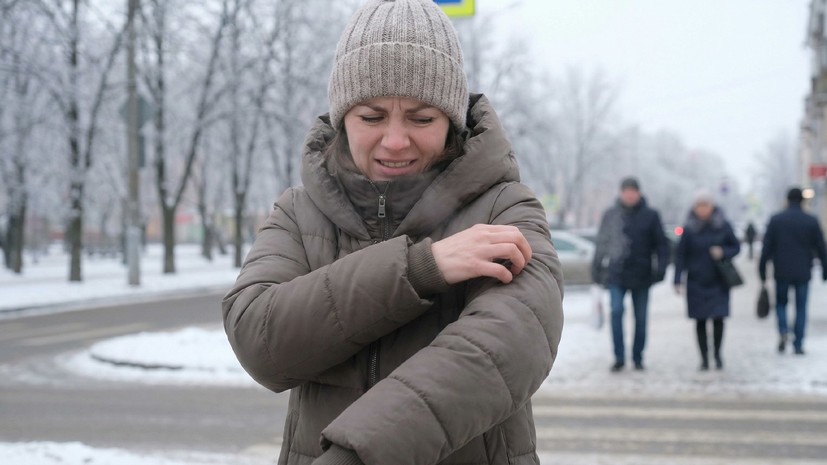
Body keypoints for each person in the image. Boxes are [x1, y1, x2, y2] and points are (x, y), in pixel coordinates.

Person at [222, 2, 565, 465]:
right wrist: (420, 269)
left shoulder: (505, 207)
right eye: (372, 116)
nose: (396, 140)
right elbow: (259, 340)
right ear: (343, 117)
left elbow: (509, 344)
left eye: (422, 118)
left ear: (451, 122)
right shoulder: (298, 214)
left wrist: (357, 454)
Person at [592, 177, 670, 372]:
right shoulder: (611, 215)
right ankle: (619, 357)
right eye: (626, 191)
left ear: (639, 193)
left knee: (641, 318)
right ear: (620, 193)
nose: (629, 195)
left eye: (633, 191)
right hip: (617, 274)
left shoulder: (651, 215)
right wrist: (597, 268)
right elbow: (602, 243)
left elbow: (661, 244)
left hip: (642, 275)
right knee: (616, 311)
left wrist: (661, 268)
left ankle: (637, 357)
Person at [673, 191, 741, 370]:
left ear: (712, 206)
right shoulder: (688, 228)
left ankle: (717, 354)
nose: (703, 209)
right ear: (694, 207)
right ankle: (704, 358)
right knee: (700, 320)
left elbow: (736, 247)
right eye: (699, 205)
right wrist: (677, 279)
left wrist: (723, 252)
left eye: (706, 205)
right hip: (696, 280)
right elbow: (680, 255)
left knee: (719, 319)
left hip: (719, 280)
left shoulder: (723, 225)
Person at [759, 187, 827, 355]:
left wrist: (762, 269)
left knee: (781, 304)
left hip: (781, 270)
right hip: (803, 271)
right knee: (801, 308)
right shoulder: (810, 220)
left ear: (787, 200)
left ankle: (783, 330)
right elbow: (821, 247)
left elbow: (767, 248)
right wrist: (825, 269)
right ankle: (798, 343)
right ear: (802, 200)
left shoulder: (776, 220)